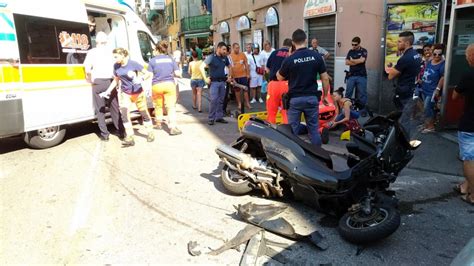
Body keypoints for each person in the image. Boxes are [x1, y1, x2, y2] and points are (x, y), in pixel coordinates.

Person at [277, 29, 330, 147]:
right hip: (311, 98)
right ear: (306, 40)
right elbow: (325, 78)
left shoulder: (290, 59)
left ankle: (295, 159)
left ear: (293, 43)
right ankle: (317, 157)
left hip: (295, 100)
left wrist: (289, 57)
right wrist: (325, 96)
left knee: (292, 132)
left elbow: (279, 77)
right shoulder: (316, 56)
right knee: (314, 130)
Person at [100, 48, 154, 146]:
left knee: (144, 113)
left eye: (116, 56)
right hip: (125, 93)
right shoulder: (116, 66)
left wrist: (141, 78)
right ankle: (130, 137)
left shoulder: (133, 64)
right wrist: (107, 91)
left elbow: (148, 74)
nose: (115, 59)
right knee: (124, 114)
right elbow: (116, 80)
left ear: (123, 55)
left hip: (138, 93)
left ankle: (150, 132)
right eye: (114, 57)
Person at [83, 31, 124, 141]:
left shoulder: (91, 52)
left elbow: (87, 69)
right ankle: (121, 132)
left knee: (100, 109)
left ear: (96, 41)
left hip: (98, 83)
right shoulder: (111, 52)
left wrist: (90, 79)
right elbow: (117, 67)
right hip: (110, 82)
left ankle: (105, 135)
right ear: (106, 41)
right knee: (114, 108)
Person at [388, 31, 423, 138]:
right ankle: (402, 140)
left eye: (399, 42)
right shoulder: (416, 55)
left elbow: (390, 75)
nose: (397, 44)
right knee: (405, 117)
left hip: (404, 92)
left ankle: (404, 143)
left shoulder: (405, 58)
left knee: (404, 119)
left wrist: (395, 66)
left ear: (407, 43)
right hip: (411, 88)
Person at [452, 43, 474, 205]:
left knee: (469, 158)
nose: (466, 58)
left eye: (467, 56)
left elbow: (454, 96)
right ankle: (465, 186)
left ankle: (472, 195)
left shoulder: (468, 75)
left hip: (470, 123)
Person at [148, 41, 183, 136]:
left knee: (158, 105)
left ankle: (158, 124)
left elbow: (149, 75)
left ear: (157, 49)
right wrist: (180, 75)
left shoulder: (152, 61)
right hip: (169, 85)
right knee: (170, 107)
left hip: (156, 86)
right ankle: (172, 127)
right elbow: (177, 73)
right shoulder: (170, 59)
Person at [200, 42, 233, 125]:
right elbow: (201, 67)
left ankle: (219, 117)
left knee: (221, 101)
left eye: (226, 49)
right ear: (218, 49)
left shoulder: (225, 58)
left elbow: (230, 67)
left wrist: (229, 77)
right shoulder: (211, 57)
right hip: (214, 83)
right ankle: (211, 118)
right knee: (214, 100)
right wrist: (205, 78)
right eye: (224, 49)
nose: (225, 51)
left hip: (222, 82)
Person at [265, 38, 292, 124]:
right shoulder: (292, 54)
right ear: (291, 46)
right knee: (286, 112)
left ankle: (271, 132)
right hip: (287, 85)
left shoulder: (274, 53)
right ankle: (287, 133)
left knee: (271, 111)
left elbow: (267, 69)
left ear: (282, 44)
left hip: (273, 85)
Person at [420, 43, 445, 133]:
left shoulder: (443, 64)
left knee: (427, 107)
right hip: (425, 88)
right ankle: (427, 124)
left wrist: (438, 89)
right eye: (435, 54)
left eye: (439, 54)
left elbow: (443, 77)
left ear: (442, 55)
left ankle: (431, 127)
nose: (437, 56)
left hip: (433, 91)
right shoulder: (430, 61)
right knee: (428, 108)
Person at [345, 36, 368, 116]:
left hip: (361, 76)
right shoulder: (350, 51)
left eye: (355, 45)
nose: (353, 46)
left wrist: (352, 60)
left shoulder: (364, 51)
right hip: (351, 76)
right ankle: (346, 109)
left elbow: (362, 60)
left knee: (362, 94)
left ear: (359, 44)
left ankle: (362, 110)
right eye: (352, 44)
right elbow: (347, 62)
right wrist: (357, 61)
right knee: (348, 93)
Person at [229, 43, 251, 110]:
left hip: (243, 75)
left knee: (245, 89)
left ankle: (247, 103)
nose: (237, 49)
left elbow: (246, 64)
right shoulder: (230, 56)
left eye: (238, 48)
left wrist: (248, 74)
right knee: (237, 91)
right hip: (235, 76)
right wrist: (231, 77)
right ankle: (239, 104)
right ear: (233, 48)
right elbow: (229, 67)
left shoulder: (242, 54)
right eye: (236, 48)